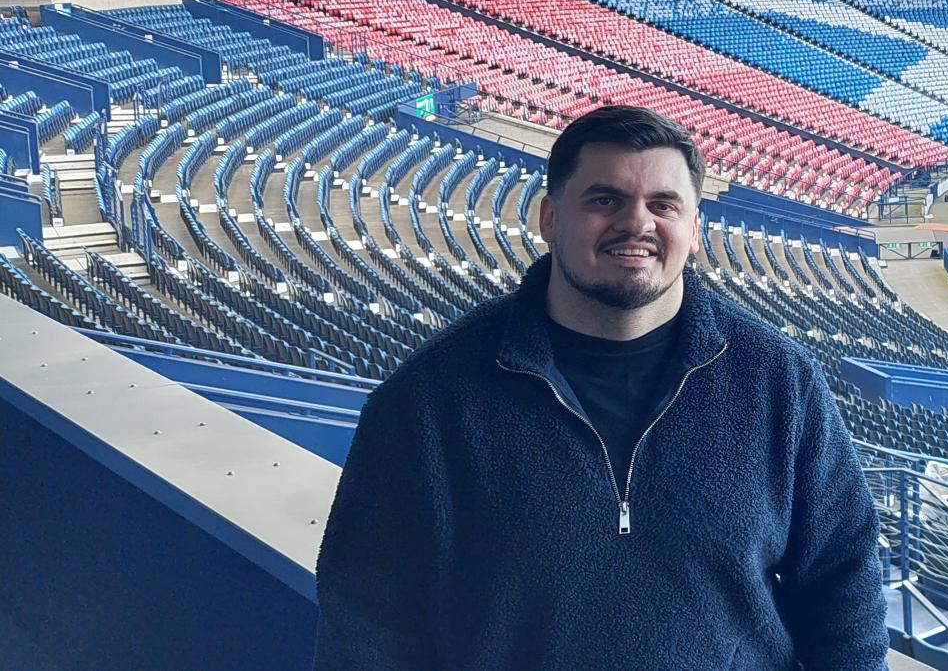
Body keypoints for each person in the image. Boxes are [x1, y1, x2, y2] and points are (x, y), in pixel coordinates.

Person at [314, 105, 886, 670]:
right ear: (549, 219)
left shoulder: (778, 379)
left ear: (693, 227)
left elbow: (844, 577)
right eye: (605, 199)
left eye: (663, 204)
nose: (637, 223)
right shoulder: (429, 399)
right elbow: (367, 619)